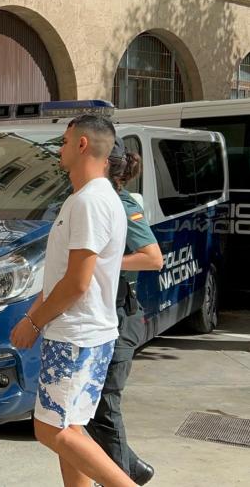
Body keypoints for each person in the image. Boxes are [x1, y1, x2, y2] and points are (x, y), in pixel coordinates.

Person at [10, 115, 136, 487]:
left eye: (64, 141)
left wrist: (33, 323)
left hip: (75, 336)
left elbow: (77, 283)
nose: (59, 148)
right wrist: (35, 312)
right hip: (83, 333)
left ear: (82, 144)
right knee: (70, 428)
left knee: (51, 430)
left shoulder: (90, 201)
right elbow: (65, 275)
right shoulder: (91, 198)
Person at [85, 138, 163, 485]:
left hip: (121, 317)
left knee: (105, 407)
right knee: (87, 411)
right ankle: (132, 470)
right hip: (99, 316)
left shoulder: (120, 203)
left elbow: (152, 258)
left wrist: (101, 263)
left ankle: (122, 478)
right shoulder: (90, 201)